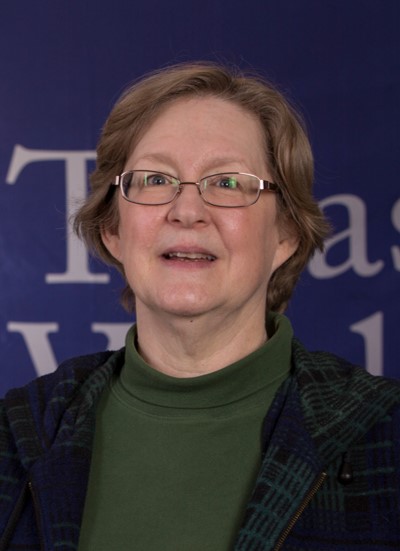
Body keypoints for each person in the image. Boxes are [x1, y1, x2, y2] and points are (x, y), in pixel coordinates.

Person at [0, 62, 399, 551]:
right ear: (113, 229)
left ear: (286, 233)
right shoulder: (16, 437)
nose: (187, 211)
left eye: (227, 183)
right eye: (155, 179)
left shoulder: (387, 436)